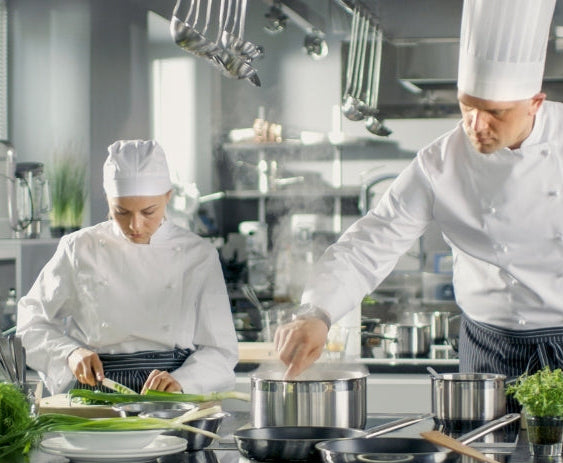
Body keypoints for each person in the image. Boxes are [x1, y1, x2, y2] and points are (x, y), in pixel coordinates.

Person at [276, 0, 562, 380]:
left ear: (535, 103)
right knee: (477, 443)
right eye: (467, 107)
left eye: (495, 112)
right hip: (490, 348)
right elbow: (370, 243)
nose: (476, 124)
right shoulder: (439, 162)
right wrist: (317, 312)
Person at [17, 139, 238, 395]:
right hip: (96, 391)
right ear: (109, 199)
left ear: (168, 196)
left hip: (170, 396)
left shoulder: (198, 254)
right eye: (121, 212)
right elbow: (30, 325)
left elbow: (221, 350)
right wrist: (69, 353)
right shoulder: (79, 248)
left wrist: (184, 382)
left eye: (148, 212)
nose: (135, 225)